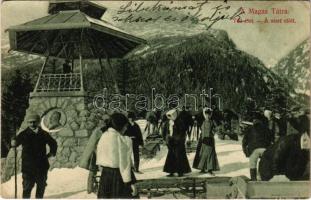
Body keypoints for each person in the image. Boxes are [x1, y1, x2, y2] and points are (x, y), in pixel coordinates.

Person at [11, 113, 57, 198]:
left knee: (41, 187)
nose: (32, 124)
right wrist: (14, 142)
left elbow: (53, 143)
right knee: (27, 188)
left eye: (34, 122)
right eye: (30, 122)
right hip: (28, 167)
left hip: (41, 166)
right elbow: (16, 142)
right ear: (28, 123)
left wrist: (51, 153)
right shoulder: (24, 134)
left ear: (38, 122)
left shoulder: (44, 134)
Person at [96, 113, 137, 198]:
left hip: (105, 177)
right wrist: (130, 183)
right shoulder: (121, 140)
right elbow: (124, 164)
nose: (126, 128)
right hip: (118, 178)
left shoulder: (104, 136)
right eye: (125, 126)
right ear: (120, 125)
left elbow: (99, 159)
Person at [242, 115, 272, 180]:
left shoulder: (250, 129)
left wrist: (246, 152)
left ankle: (253, 179)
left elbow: (244, 141)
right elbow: (271, 139)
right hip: (264, 148)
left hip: (254, 150)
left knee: (252, 164)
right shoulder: (267, 129)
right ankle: (261, 177)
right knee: (263, 163)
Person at [163, 109, 192, 177]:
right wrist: (166, 138)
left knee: (179, 156)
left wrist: (178, 139)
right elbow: (165, 131)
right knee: (171, 156)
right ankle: (171, 171)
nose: (170, 117)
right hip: (171, 142)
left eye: (171, 116)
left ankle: (180, 171)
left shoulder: (179, 122)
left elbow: (182, 132)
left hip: (178, 142)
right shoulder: (168, 123)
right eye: (169, 116)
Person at [193, 108, 220, 175]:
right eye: (206, 115)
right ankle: (202, 168)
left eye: (209, 115)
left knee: (210, 154)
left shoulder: (212, 122)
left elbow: (217, 128)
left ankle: (210, 169)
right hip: (203, 140)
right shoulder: (202, 122)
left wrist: (212, 133)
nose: (207, 116)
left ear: (210, 115)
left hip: (210, 140)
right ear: (204, 115)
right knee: (202, 154)